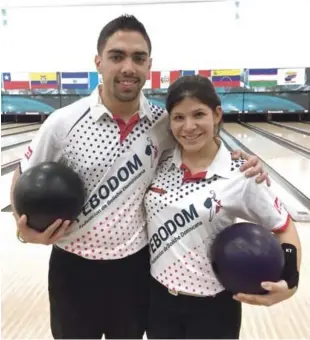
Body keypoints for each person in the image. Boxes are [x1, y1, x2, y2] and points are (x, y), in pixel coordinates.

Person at [10, 15, 269, 340]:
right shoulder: (63, 122)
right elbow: (23, 178)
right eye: (117, 56)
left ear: (149, 66)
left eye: (138, 57)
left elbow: (202, 147)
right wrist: (26, 231)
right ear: (99, 62)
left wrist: (241, 159)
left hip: (134, 268)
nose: (128, 67)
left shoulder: (163, 123)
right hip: (72, 269)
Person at [144, 75, 301, 339]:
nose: (189, 126)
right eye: (179, 117)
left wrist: (291, 282)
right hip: (158, 301)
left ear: (217, 114)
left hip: (215, 308)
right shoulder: (159, 161)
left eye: (198, 114)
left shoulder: (242, 175)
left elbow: (284, 226)